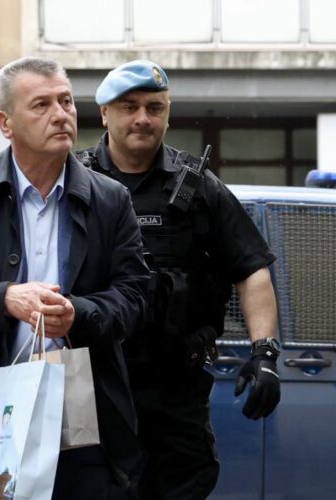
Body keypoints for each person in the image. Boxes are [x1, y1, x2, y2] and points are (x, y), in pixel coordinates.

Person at [0, 56, 150, 500]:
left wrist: (78, 313)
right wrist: (3, 299)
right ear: (6, 123)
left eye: (66, 101)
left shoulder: (110, 199)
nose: (60, 115)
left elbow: (134, 296)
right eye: (41, 105)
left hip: (78, 410)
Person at [77, 60, 282, 499]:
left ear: (168, 115)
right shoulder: (74, 182)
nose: (143, 118)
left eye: (155, 108)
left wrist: (264, 353)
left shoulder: (199, 187)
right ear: (105, 114)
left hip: (173, 388)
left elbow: (251, 268)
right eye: (129, 107)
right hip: (91, 384)